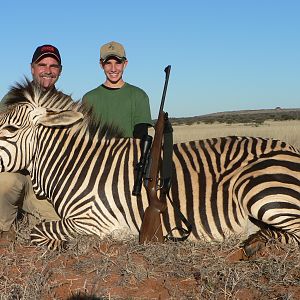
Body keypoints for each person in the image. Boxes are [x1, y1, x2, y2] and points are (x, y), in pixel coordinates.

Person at [0, 44, 64, 241]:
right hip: (18, 174)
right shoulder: (13, 98)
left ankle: (30, 216)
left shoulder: (63, 104)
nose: (48, 70)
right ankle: (5, 228)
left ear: (59, 71)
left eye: (53, 66)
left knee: (56, 230)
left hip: (47, 182)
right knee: (6, 181)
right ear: (32, 68)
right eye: (42, 64)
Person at [82, 41, 152, 138]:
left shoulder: (139, 95)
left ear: (125, 64)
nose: (113, 69)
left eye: (118, 63)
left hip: (130, 152)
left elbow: (140, 137)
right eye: (108, 63)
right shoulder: (89, 98)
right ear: (101, 64)